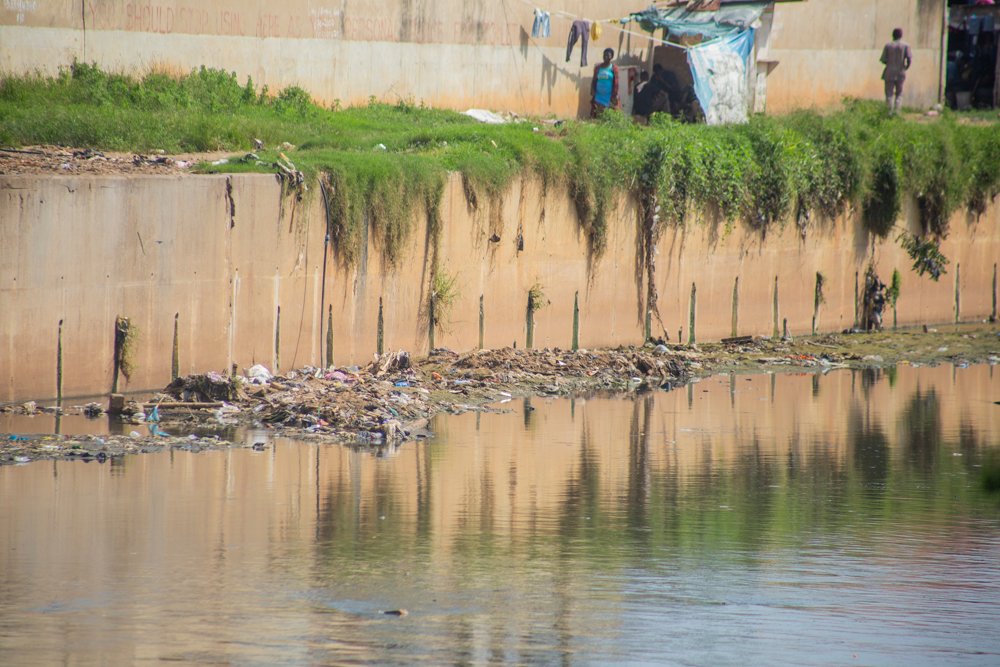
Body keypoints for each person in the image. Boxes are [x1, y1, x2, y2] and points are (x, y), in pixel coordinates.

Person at [880, 28, 913, 114]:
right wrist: (905, 67)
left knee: (889, 93)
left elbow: (883, 60)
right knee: (899, 93)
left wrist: (890, 63)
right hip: (900, 72)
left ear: (893, 35)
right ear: (901, 35)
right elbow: (909, 59)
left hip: (889, 72)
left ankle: (889, 111)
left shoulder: (888, 45)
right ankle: (897, 111)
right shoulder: (906, 46)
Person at [590, 48, 619, 118]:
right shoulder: (598, 68)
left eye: (608, 55)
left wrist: (615, 95)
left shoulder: (614, 68)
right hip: (598, 97)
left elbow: (616, 83)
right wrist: (592, 90)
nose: (606, 57)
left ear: (611, 57)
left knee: (608, 117)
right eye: (604, 55)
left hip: (609, 97)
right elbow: (594, 80)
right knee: (597, 115)